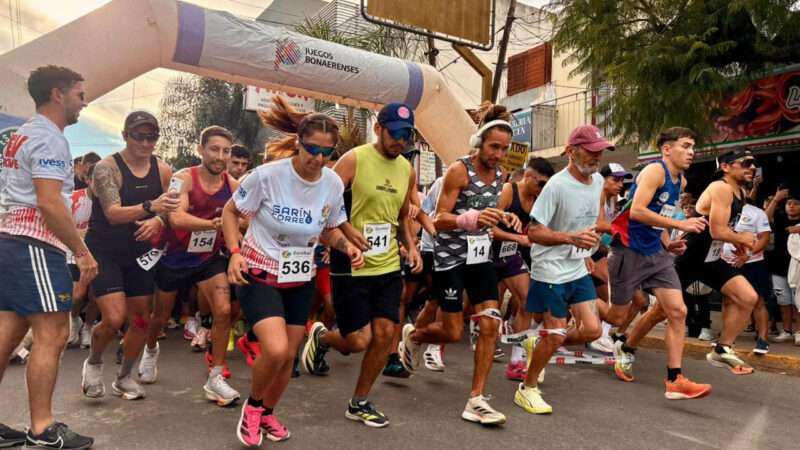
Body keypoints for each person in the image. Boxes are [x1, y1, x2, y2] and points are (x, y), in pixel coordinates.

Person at [224, 110, 363, 446]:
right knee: (275, 350)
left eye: (327, 152)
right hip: (259, 272)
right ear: (298, 144)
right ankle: (253, 408)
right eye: (312, 149)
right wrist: (235, 252)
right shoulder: (268, 176)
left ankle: (268, 413)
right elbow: (230, 211)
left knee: (288, 355)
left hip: (300, 278)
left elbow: (329, 229)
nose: (319, 159)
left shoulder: (332, 183)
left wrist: (347, 247)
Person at [301, 102, 421, 428]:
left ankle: (360, 401)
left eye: (406, 136)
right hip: (350, 263)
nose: (400, 141)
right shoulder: (354, 159)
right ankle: (322, 337)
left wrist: (411, 247)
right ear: (378, 129)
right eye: (395, 134)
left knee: (385, 333)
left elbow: (401, 217)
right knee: (357, 341)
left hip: (387, 264)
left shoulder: (406, 170)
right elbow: (324, 204)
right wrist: (343, 236)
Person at [400, 102, 520, 425]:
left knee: (490, 324)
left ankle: (476, 399)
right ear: (479, 144)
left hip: (479, 257)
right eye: (494, 147)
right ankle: (415, 336)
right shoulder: (459, 171)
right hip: (450, 258)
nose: (498, 154)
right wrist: (471, 218)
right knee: (452, 332)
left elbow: (488, 213)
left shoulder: (501, 176)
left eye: (504, 149)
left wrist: (503, 217)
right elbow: (438, 218)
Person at [0, 65, 97, 449]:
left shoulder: (21, 134)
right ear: (58, 94)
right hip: (35, 245)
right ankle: (42, 429)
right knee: (53, 333)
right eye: (79, 95)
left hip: (12, 239)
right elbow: (49, 202)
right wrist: (81, 251)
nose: (83, 103)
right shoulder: (49, 138)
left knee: (8, 332)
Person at [511, 125, 611, 415]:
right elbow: (533, 232)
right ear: (571, 151)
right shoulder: (556, 186)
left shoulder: (597, 182)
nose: (597, 157)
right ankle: (527, 388)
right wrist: (570, 239)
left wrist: (585, 252)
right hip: (550, 268)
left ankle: (539, 343)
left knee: (592, 330)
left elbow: (586, 223)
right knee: (555, 334)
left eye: (600, 151)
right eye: (591, 151)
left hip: (576, 265)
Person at [81, 110, 180, 400]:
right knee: (114, 318)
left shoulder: (163, 170)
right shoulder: (106, 168)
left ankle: (124, 377)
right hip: (105, 250)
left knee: (140, 320)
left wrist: (158, 220)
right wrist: (151, 207)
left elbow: (171, 208)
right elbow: (112, 214)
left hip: (140, 252)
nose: (146, 143)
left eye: (152, 136)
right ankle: (94, 362)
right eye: (139, 136)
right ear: (125, 136)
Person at [606, 127, 712, 399]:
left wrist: (667, 242)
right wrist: (680, 224)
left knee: (677, 311)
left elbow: (660, 215)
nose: (691, 152)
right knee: (617, 317)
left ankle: (674, 379)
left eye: (692, 147)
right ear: (667, 149)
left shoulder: (681, 182)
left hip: (656, 254)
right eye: (685, 146)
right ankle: (578, 307)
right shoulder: (655, 171)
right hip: (629, 250)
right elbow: (638, 211)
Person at [140, 126, 241, 406]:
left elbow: (244, 216)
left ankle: (216, 376)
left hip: (208, 258)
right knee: (160, 317)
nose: (220, 156)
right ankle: (150, 349)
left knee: (223, 310)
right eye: (214, 149)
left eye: (226, 151)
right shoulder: (182, 178)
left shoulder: (233, 185)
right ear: (201, 150)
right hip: (175, 257)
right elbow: (176, 218)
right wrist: (213, 224)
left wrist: (238, 230)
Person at [675, 148, 759, 373]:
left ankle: (722, 349)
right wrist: (743, 239)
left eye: (753, 163)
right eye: (746, 162)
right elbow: (717, 231)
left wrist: (739, 243)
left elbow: (726, 228)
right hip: (689, 258)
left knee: (748, 297)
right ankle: (626, 344)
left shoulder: (740, 192)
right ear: (726, 167)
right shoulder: (720, 187)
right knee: (661, 312)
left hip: (711, 259)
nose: (752, 167)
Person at [495, 156, 553, 381]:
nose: (543, 188)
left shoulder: (539, 199)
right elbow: (488, 227)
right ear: (528, 176)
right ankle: (433, 343)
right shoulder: (508, 190)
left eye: (547, 184)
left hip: (510, 254)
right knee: (477, 309)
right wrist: (517, 238)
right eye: (541, 183)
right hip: (488, 253)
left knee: (527, 300)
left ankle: (516, 361)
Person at [722, 193, 772, 354]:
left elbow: (764, 238)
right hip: (727, 262)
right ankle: (726, 340)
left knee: (758, 302)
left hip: (752, 263)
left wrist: (747, 255)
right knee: (728, 301)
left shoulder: (756, 212)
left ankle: (763, 340)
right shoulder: (723, 210)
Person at [67, 152, 101, 347]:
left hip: (100, 252)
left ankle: (88, 326)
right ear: (87, 180)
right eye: (95, 180)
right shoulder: (74, 198)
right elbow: (63, 226)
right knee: (78, 295)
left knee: (96, 296)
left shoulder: (110, 201)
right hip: (74, 251)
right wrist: (81, 233)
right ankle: (74, 320)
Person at [765, 187, 800, 344]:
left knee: (798, 301)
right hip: (778, 266)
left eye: (796, 203)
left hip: (797, 266)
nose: (791, 206)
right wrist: (776, 199)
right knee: (783, 300)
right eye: (789, 203)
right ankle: (787, 331)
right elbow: (765, 218)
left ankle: (799, 332)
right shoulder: (780, 217)